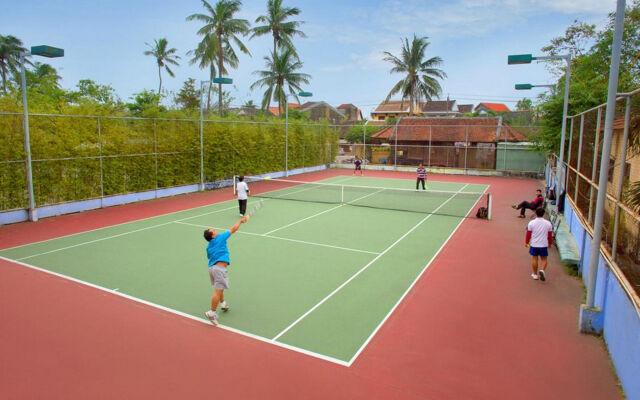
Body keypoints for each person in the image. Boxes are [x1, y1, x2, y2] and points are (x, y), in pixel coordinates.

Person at [203, 215, 250, 326]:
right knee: (218, 291)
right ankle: (212, 312)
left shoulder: (209, 247)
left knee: (220, 287)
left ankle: (223, 303)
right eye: (213, 231)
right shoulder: (219, 238)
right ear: (212, 236)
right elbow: (233, 229)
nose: (215, 231)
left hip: (212, 269)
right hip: (219, 269)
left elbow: (209, 257)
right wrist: (241, 221)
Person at [525, 207, 553, 281]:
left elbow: (528, 234)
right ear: (543, 214)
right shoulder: (548, 223)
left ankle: (535, 274)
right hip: (543, 244)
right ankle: (542, 270)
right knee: (544, 259)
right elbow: (550, 235)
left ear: (536, 213)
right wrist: (550, 243)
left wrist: (527, 242)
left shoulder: (531, 223)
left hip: (534, 244)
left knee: (534, 258)